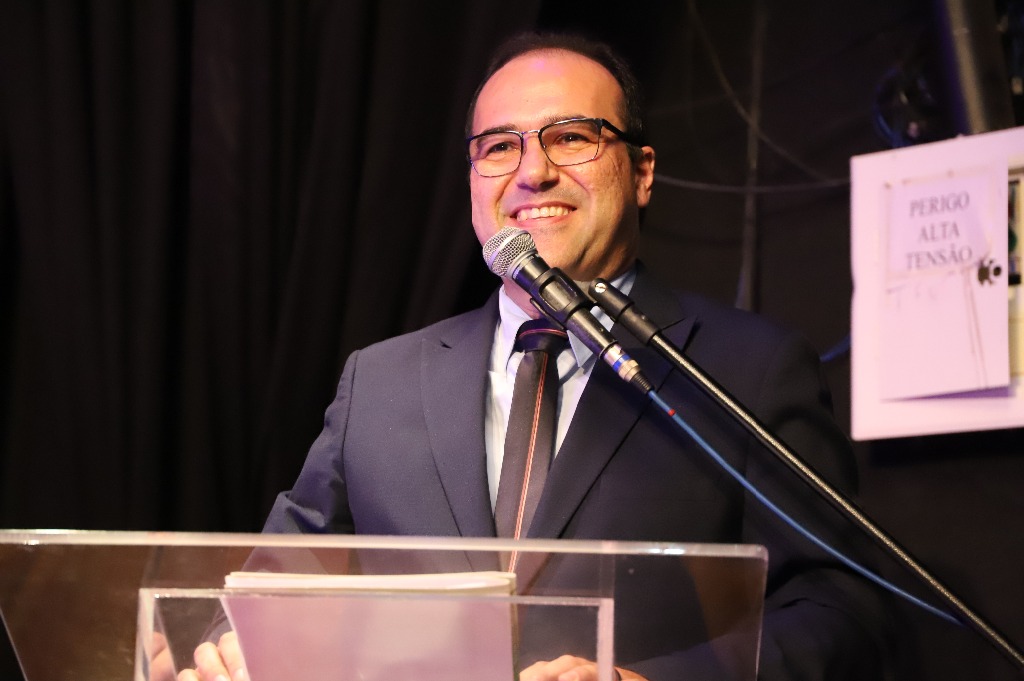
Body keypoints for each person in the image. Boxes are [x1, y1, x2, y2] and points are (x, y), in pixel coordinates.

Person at [181, 31, 890, 681]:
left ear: (641, 172)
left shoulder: (749, 369)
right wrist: (231, 647)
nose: (533, 172)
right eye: (499, 147)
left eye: (571, 137)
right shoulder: (380, 381)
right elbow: (270, 585)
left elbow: (840, 609)